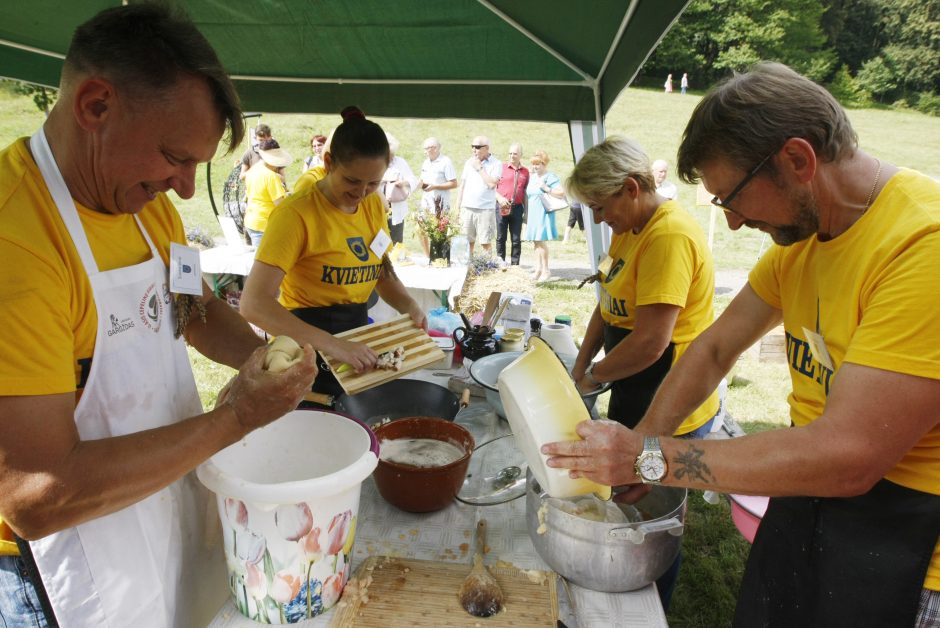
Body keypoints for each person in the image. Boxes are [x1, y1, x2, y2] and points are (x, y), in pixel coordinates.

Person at [543, 62, 940, 627]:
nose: (730, 225)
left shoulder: (923, 247)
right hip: (806, 498)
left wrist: (651, 459)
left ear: (798, 161)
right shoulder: (801, 244)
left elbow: (851, 456)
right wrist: (644, 441)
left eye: (731, 198)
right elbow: (711, 350)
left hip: (908, 550)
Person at [0, 5, 318, 627]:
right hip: (56, 563)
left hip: (157, 500)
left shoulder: (145, 207)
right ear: (95, 105)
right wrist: (235, 417)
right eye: (175, 156)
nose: (186, 189)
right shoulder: (18, 246)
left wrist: (269, 359)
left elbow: (191, 309)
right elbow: (36, 497)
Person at [240, 107, 426, 397]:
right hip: (305, 342)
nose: (361, 193)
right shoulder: (296, 215)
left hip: (355, 334)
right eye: (352, 180)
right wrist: (333, 345)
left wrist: (407, 304)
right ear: (328, 163)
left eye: (373, 183)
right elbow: (253, 303)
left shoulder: (373, 203)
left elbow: (380, 266)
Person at [456, 135, 501, 256]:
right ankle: (467, 268)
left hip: (485, 209)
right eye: (472, 147)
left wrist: (479, 168)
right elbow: (462, 186)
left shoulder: (496, 164)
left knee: (485, 242)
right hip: (467, 208)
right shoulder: (468, 162)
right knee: (466, 242)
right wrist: (457, 208)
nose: (473, 150)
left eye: (477, 147)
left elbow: (491, 184)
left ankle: (487, 270)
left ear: (486, 148)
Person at [243, 138, 292, 246]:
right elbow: (279, 204)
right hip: (264, 225)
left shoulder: (252, 170)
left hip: (251, 221)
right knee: (264, 261)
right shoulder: (271, 176)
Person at [525, 150, 563, 281]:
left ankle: (546, 271)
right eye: (534, 164)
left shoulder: (550, 176)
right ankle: (538, 269)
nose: (535, 167)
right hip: (533, 213)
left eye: (538, 164)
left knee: (541, 242)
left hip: (543, 212)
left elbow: (561, 193)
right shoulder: (533, 177)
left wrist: (547, 188)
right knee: (536, 242)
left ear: (544, 164)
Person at [417, 137, 458, 257]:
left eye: (426, 148)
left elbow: (454, 183)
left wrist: (435, 187)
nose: (424, 151)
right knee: (420, 229)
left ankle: (442, 258)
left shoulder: (446, 162)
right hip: (425, 203)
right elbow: (422, 180)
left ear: (434, 149)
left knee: (441, 232)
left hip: (440, 205)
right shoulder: (425, 162)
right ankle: (427, 257)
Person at [494, 143, 529, 265]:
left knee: (516, 239)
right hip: (502, 206)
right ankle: (500, 263)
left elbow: (525, 192)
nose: (512, 156)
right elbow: (492, 187)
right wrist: (499, 198)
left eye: (515, 153)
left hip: (518, 208)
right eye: (510, 153)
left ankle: (515, 265)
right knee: (501, 237)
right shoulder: (501, 167)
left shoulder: (525, 172)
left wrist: (526, 213)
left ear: (520, 155)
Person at [381, 133, 417, 244]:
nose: (391, 157)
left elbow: (413, 179)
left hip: (397, 207)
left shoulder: (400, 162)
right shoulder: (375, 161)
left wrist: (403, 182)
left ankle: (394, 259)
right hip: (380, 206)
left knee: (396, 239)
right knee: (380, 241)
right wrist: (384, 179)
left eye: (392, 154)